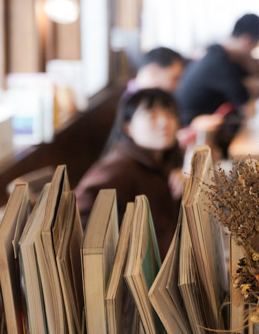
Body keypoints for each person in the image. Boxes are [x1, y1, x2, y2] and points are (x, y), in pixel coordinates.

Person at [75, 87, 183, 254]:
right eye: (151, 116)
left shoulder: (163, 162)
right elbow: (77, 218)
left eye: (169, 114)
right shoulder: (118, 168)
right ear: (128, 127)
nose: (164, 122)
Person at [175, 13, 259, 127]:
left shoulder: (218, 54)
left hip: (203, 127)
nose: (253, 51)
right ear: (246, 40)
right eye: (255, 45)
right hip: (192, 132)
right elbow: (248, 108)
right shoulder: (221, 64)